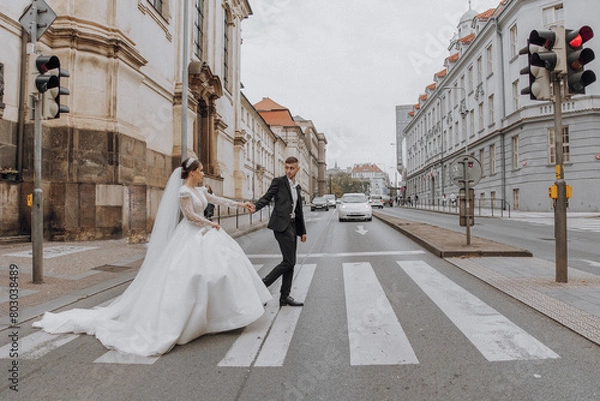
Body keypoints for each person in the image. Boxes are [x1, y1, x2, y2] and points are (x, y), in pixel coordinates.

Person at [32, 157, 271, 356]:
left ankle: (221, 315)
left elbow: (216, 200)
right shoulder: (183, 192)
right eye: (200, 172)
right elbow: (189, 217)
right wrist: (211, 223)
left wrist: (242, 205)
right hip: (191, 235)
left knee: (221, 270)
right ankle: (190, 318)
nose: (203, 175)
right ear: (191, 173)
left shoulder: (198, 189)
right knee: (190, 277)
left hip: (205, 234)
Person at [250, 156, 307, 307]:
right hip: (281, 225)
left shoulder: (297, 187)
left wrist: (302, 231)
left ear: (297, 169)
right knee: (288, 261)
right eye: (286, 168)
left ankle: (284, 296)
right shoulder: (279, 182)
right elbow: (267, 197)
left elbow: (299, 210)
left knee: (291, 263)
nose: (288, 171)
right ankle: (261, 286)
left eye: (291, 168)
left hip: (293, 225)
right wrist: (256, 206)